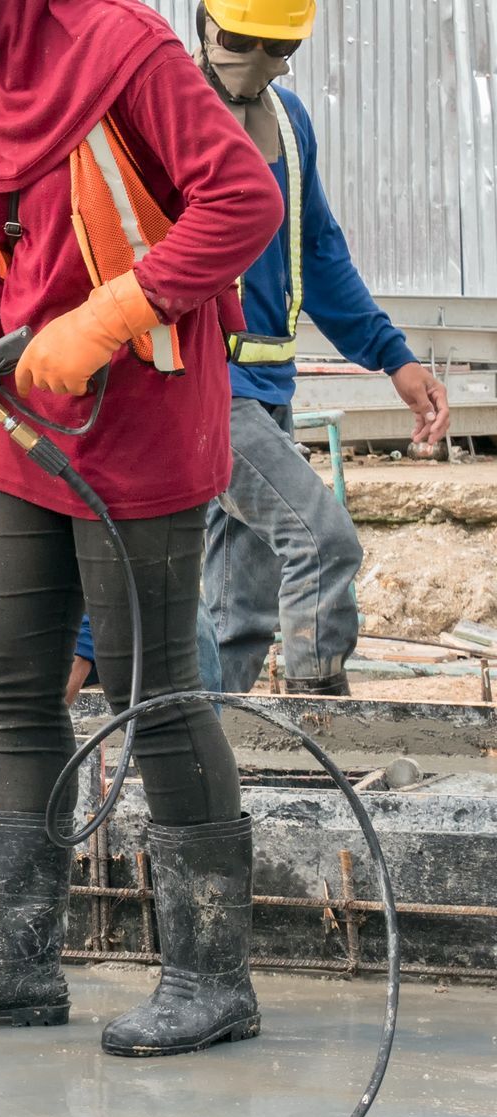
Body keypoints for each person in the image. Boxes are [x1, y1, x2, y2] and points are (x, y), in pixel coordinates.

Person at [0, 0, 283, 1057]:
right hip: (20, 420)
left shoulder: (121, 48)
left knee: (150, 691)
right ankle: (14, 962)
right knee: (11, 677)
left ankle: (209, 975)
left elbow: (244, 201)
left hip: (142, 412)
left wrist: (108, 317)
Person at [193, 0, 451, 697]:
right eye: (242, 42)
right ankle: (320, 725)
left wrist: (392, 355)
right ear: (206, 23)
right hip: (206, 390)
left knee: (237, 616)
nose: (259, 63)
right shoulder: (171, 114)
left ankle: (214, 750)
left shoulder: (288, 121)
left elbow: (320, 250)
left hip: (269, 390)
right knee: (321, 538)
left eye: (276, 50)